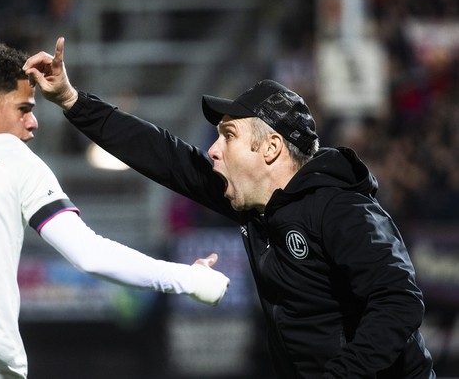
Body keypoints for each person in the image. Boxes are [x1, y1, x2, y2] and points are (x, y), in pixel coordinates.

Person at [24, 37, 436, 378]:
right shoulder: (256, 206)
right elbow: (163, 155)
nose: (213, 149)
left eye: (228, 135)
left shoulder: (342, 208)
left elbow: (399, 302)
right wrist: (73, 101)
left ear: (271, 148)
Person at [0, 42, 230, 379]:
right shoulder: (10, 157)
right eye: (24, 109)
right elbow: (89, 253)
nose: (33, 123)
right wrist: (189, 279)